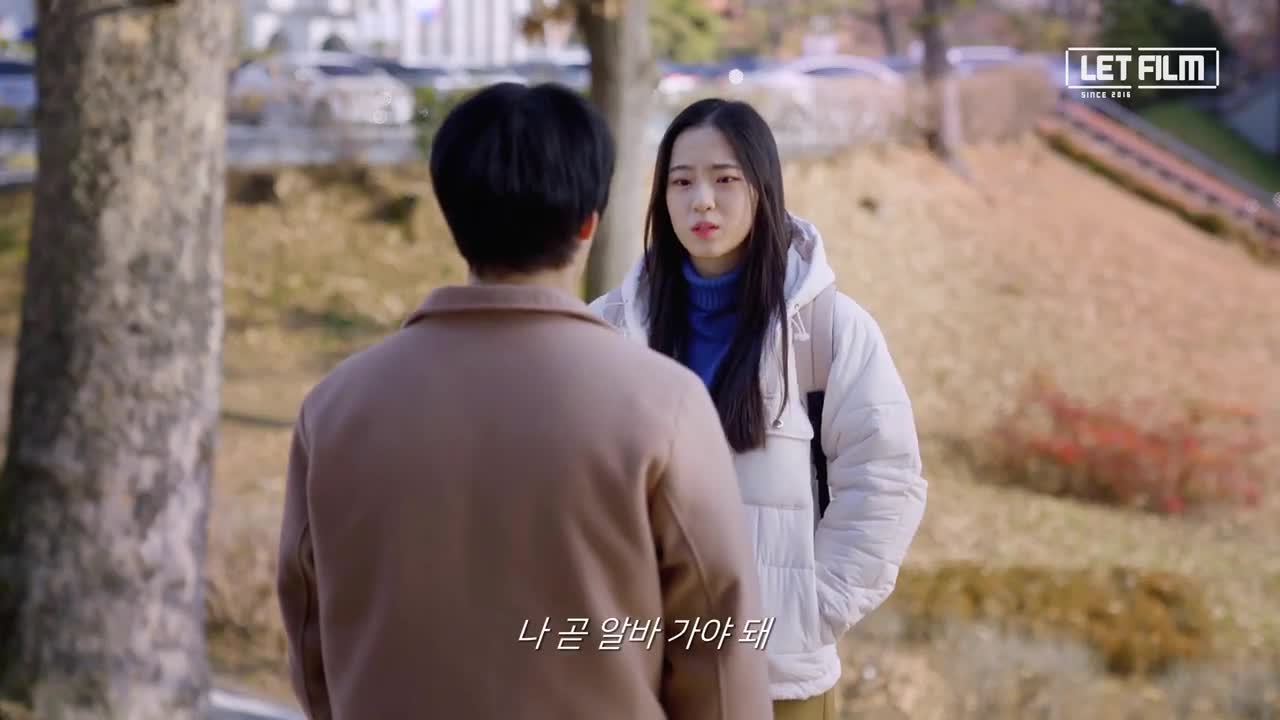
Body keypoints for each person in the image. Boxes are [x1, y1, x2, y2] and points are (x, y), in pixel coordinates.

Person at [276, 83, 773, 720]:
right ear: (588, 224)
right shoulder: (663, 406)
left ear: (452, 215)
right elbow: (717, 642)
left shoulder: (334, 408)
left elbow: (310, 629)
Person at [589, 98, 929, 719]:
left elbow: (886, 479)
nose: (702, 202)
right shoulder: (608, 330)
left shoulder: (828, 329)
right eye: (682, 182)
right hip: (641, 679)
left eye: (725, 180)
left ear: (762, 187)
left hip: (779, 684)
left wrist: (807, 613)